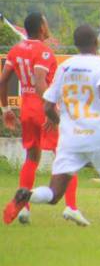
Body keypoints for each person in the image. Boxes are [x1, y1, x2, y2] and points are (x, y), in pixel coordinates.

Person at [3, 25, 100, 246]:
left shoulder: (65, 67)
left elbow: (47, 107)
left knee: (54, 193)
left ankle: (28, 195)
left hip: (71, 139)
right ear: (96, 42)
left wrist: (63, 123)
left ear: (76, 45)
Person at [0, 12, 87, 226]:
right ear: (41, 27)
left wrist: (6, 109)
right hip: (42, 107)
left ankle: (23, 209)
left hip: (26, 108)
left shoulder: (15, 50)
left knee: (32, 156)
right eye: (46, 23)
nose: (48, 26)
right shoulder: (44, 52)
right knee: (69, 154)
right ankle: (71, 207)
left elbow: (3, 81)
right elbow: (40, 81)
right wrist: (50, 109)